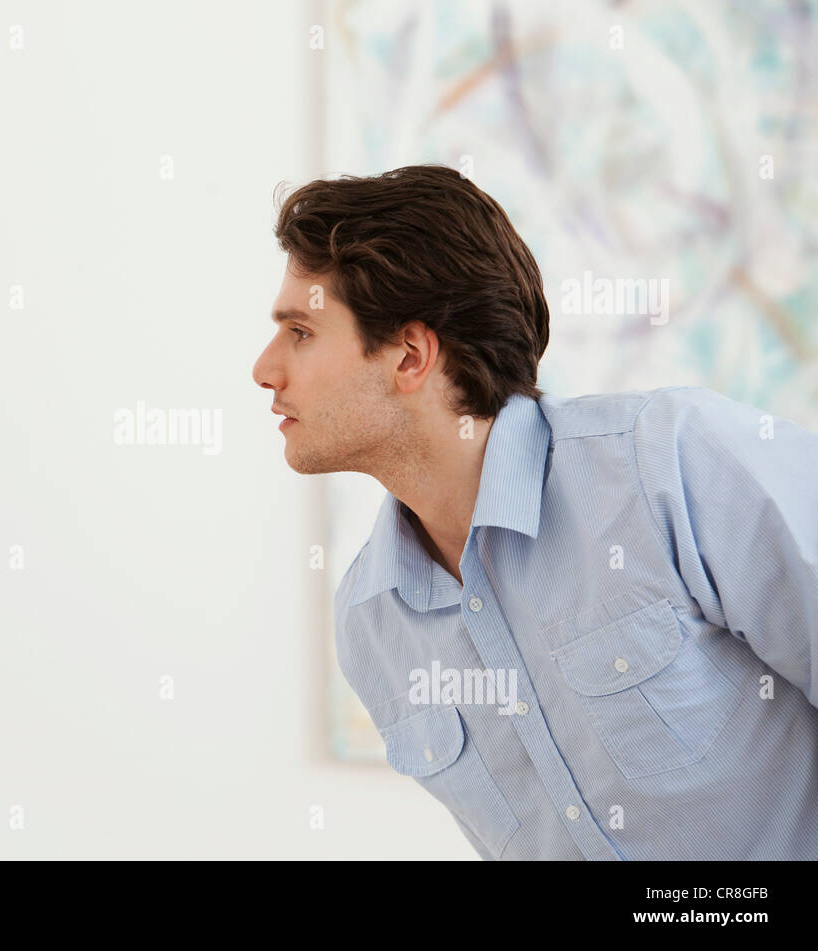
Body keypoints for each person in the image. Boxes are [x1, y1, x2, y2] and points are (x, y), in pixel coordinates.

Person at [252, 164, 818, 860]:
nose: (264, 368)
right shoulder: (370, 624)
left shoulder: (674, 464)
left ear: (409, 354)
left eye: (300, 331)